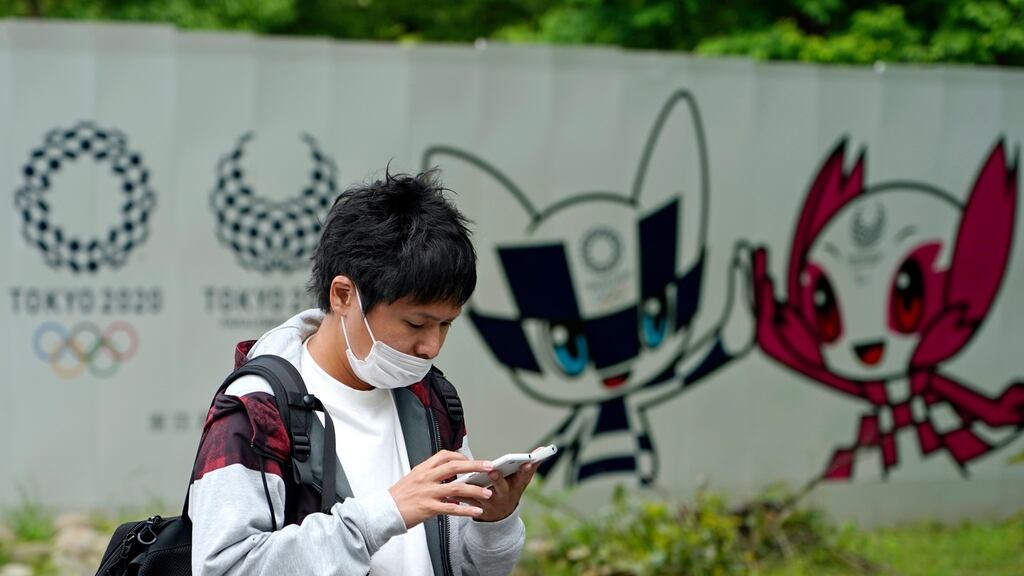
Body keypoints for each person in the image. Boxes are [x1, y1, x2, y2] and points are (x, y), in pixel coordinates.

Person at [189, 169, 534, 575]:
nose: (432, 347)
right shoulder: (257, 410)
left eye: (446, 325)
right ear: (343, 295)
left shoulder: (430, 399)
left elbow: (469, 566)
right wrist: (383, 513)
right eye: (416, 324)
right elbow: (225, 567)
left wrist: (494, 521)